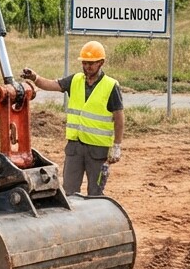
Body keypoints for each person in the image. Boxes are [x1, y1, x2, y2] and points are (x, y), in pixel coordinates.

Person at [21, 41, 124, 196]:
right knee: (69, 191)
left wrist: (117, 145)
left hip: (98, 150)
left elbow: (119, 118)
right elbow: (52, 85)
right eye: (84, 62)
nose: (87, 66)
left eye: (91, 63)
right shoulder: (75, 80)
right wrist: (35, 78)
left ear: (101, 63)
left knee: (95, 192)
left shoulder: (111, 86)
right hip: (75, 148)